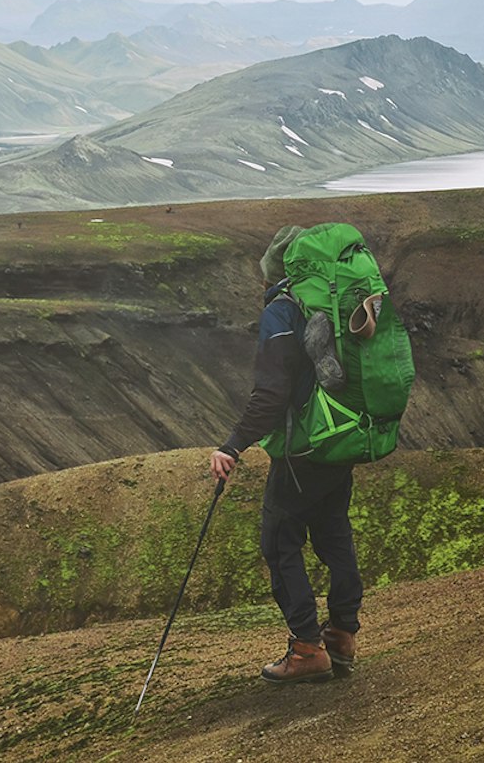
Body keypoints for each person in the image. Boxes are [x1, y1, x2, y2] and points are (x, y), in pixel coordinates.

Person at [209, 224, 363, 683]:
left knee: (279, 544)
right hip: (340, 440)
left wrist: (233, 444)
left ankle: (307, 648)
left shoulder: (281, 312)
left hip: (301, 453)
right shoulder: (330, 303)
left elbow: (272, 394)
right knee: (334, 533)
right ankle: (342, 635)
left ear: (274, 273)